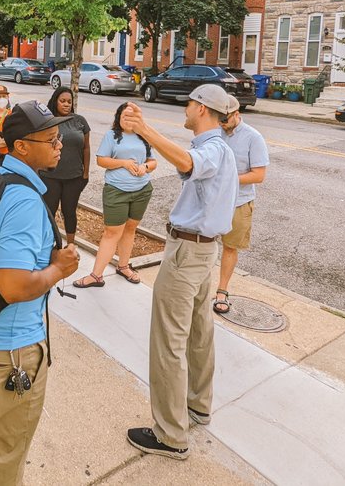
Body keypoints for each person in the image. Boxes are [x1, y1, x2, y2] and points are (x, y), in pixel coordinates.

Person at [0, 100, 80, 484]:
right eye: (52, 139)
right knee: (5, 452)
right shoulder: (23, 199)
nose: (61, 145)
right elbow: (13, 285)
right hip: (9, 356)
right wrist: (58, 268)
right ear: (21, 146)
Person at [120, 85, 238, 460]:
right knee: (200, 333)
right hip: (204, 252)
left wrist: (144, 129)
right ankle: (198, 405)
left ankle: (171, 435)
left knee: (169, 340)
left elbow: (187, 162)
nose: (185, 109)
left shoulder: (213, 149)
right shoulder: (220, 147)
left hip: (187, 253)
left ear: (201, 109)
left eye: (189, 104)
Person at [74, 102, 157, 288]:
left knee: (130, 229)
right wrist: (124, 163)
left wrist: (145, 167)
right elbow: (101, 160)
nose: (128, 119)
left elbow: (153, 162)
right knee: (112, 233)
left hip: (142, 190)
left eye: (131, 115)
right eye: (124, 115)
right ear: (118, 118)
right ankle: (96, 276)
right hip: (116, 191)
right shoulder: (111, 136)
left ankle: (123, 266)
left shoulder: (144, 136)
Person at [212, 96, 269, 314]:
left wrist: (227, 178)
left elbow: (259, 175)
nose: (222, 123)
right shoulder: (215, 132)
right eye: (219, 119)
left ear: (237, 114)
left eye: (225, 119)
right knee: (203, 243)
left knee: (229, 246)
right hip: (212, 200)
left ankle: (222, 291)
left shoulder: (253, 138)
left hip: (238, 201)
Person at [41, 86, 91, 246]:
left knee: (69, 212)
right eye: (62, 101)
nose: (66, 104)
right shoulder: (48, 121)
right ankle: (48, 244)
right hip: (50, 177)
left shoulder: (80, 121)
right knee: (49, 211)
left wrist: (86, 173)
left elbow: (86, 148)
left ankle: (70, 246)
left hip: (74, 177)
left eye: (69, 101)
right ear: (55, 101)